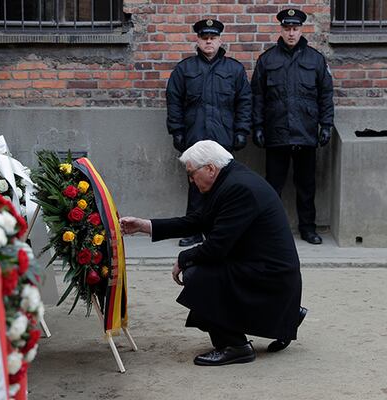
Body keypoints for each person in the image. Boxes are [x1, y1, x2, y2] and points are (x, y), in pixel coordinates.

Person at [120, 140, 306, 366]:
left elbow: (217, 248)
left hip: (270, 277)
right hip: (264, 269)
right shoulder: (231, 179)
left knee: (196, 274)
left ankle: (236, 346)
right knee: (202, 271)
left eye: (191, 174)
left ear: (210, 168)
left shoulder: (238, 187)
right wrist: (143, 225)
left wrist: (183, 259)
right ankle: (284, 314)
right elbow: (198, 221)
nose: (190, 180)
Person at [251, 8, 334, 245]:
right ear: (281, 29)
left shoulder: (315, 60)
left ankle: (308, 228)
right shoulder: (267, 60)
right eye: (287, 29)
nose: (291, 33)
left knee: (306, 186)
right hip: (276, 133)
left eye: (295, 29)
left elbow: (325, 96)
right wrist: (257, 126)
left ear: (301, 30)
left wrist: (326, 125)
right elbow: (257, 96)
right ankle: (270, 230)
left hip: (306, 133)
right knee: (272, 188)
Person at [166, 18, 252, 247]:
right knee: (196, 184)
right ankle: (194, 231)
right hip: (195, 135)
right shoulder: (185, 69)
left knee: (224, 184)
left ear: (220, 40)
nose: (209, 42)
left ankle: (219, 230)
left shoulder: (233, 69)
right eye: (205, 38)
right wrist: (177, 131)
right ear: (198, 40)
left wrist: (242, 130)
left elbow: (244, 101)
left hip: (223, 136)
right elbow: (174, 101)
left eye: (213, 38)